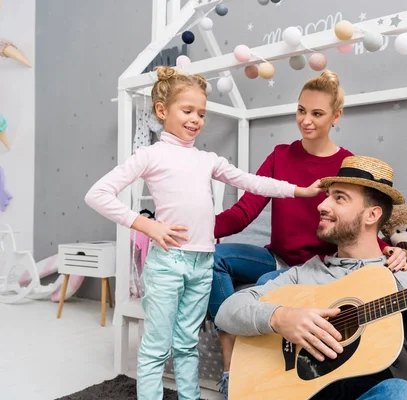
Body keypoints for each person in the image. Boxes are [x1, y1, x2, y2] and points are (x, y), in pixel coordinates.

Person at [84, 66, 323, 400]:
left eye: (201, 113)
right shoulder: (150, 155)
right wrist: (146, 224)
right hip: (168, 263)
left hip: (202, 262)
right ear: (162, 111)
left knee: (186, 343)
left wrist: (299, 190)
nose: (196, 119)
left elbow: (251, 181)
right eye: (187, 111)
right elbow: (97, 194)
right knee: (156, 346)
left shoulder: (207, 159)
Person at [209, 71, 407, 398]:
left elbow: (360, 224)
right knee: (215, 259)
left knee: (263, 289)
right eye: (301, 110)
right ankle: (231, 361)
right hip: (276, 259)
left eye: (316, 113)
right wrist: (194, 230)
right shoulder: (280, 155)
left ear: (335, 116)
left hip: (320, 269)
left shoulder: (347, 165)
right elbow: (244, 212)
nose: (306, 120)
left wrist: (390, 250)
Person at [215, 155, 407, 400]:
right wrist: (280, 317)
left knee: (403, 394)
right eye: (327, 197)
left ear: (372, 215)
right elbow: (227, 311)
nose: (321, 205)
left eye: (339, 198)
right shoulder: (302, 274)